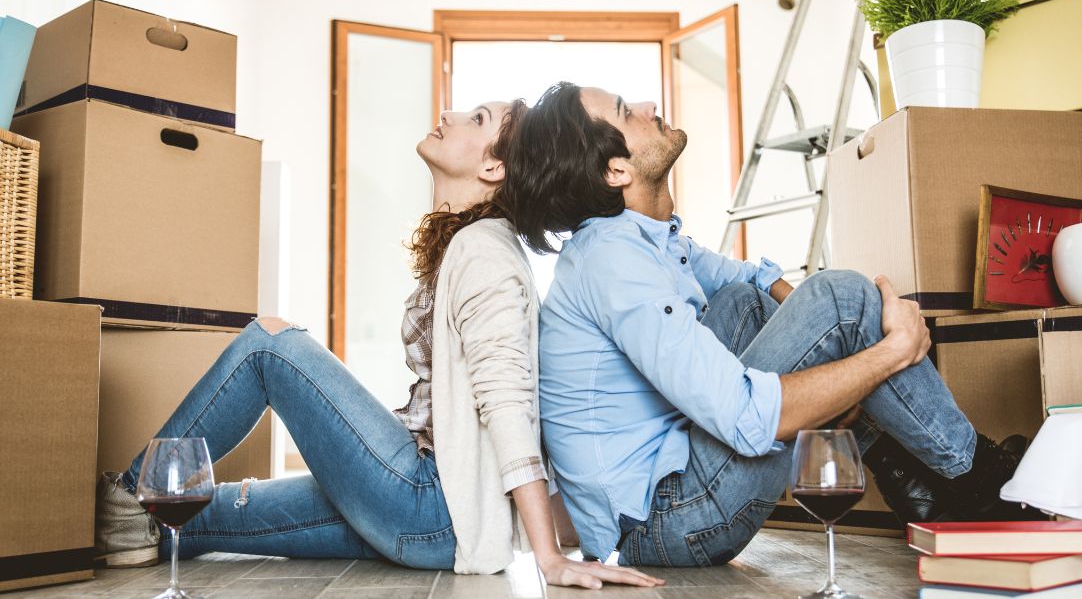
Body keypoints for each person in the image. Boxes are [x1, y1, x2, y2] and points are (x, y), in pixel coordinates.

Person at [93, 98, 664, 590]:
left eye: (476, 117)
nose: (449, 114)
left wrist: (547, 557)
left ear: (494, 166)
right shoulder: (469, 243)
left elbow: (508, 405)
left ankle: (125, 496)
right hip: (423, 512)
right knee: (190, 518)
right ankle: (130, 523)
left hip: (430, 505)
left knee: (271, 344)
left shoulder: (485, 251)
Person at [501, 82, 1036, 567]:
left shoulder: (647, 239)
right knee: (843, 298)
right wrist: (890, 350)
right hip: (666, 521)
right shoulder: (615, 263)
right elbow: (745, 417)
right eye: (626, 111)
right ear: (616, 171)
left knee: (744, 299)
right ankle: (983, 482)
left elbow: (746, 276)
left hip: (673, 486)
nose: (648, 105)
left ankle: (911, 479)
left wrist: (841, 355)